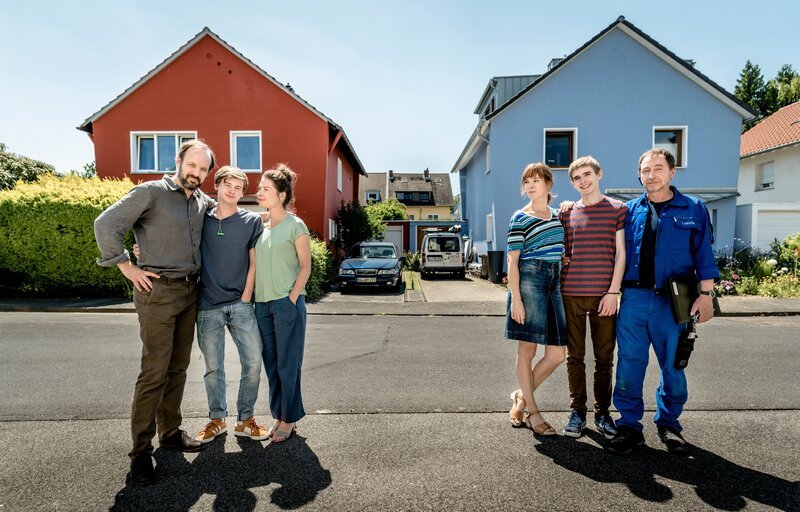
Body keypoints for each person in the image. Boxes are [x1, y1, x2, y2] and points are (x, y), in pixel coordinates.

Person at [94, 139, 215, 486]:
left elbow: (230, 214)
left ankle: (171, 432)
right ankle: (140, 453)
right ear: (178, 161)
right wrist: (126, 266)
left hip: (191, 291)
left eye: (203, 168)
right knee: (154, 371)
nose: (196, 173)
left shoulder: (201, 201)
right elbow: (106, 225)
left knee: (178, 368)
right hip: (157, 291)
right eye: (191, 165)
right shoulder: (150, 192)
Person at [608, 149, 718, 455]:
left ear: (672, 172)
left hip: (674, 302)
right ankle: (629, 425)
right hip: (634, 300)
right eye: (645, 170)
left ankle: (669, 423)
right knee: (629, 364)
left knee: (673, 365)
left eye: (658, 168)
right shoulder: (628, 211)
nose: (651, 175)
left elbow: (704, 256)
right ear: (639, 175)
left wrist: (706, 296)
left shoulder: (693, 208)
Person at [192, 166, 271, 443]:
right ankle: (217, 420)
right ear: (217, 185)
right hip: (208, 306)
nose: (233, 191)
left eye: (238, 188)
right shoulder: (201, 218)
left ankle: (245, 419)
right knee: (214, 367)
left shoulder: (251, 221)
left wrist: (246, 296)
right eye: (228, 185)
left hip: (240, 305)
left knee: (252, 363)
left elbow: (254, 262)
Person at [558, 156, 627, 439]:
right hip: (570, 293)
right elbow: (559, 245)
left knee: (604, 359)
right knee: (574, 357)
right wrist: (560, 255)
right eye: (577, 178)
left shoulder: (617, 209)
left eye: (587, 175)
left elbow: (621, 253)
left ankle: (602, 413)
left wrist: (613, 291)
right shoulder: (565, 212)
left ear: (599, 174)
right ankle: (577, 413)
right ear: (572, 183)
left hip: (604, 296)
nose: (583, 181)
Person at [505, 163, 567, 436]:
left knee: (556, 354)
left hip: (554, 283)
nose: (530, 185)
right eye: (526, 181)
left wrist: (561, 257)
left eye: (536, 180)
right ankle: (533, 412)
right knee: (527, 352)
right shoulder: (520, 217)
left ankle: (521, 396)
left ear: (548, 184)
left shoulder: (557, 217)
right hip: (529, 281)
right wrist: (516, 300)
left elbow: (556, 248)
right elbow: (512, 261)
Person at [254, 164, 312, 443]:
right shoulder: (261, 226)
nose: (259, 192)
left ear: (281, 194)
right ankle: (279, 415)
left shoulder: (295, 225)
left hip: (286, 304)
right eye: (260, 188)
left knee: (288, 364)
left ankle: (290, 419)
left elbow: (305, 267)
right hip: (262, 306)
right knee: (272, 364)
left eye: (265, 189)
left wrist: (291, 299)